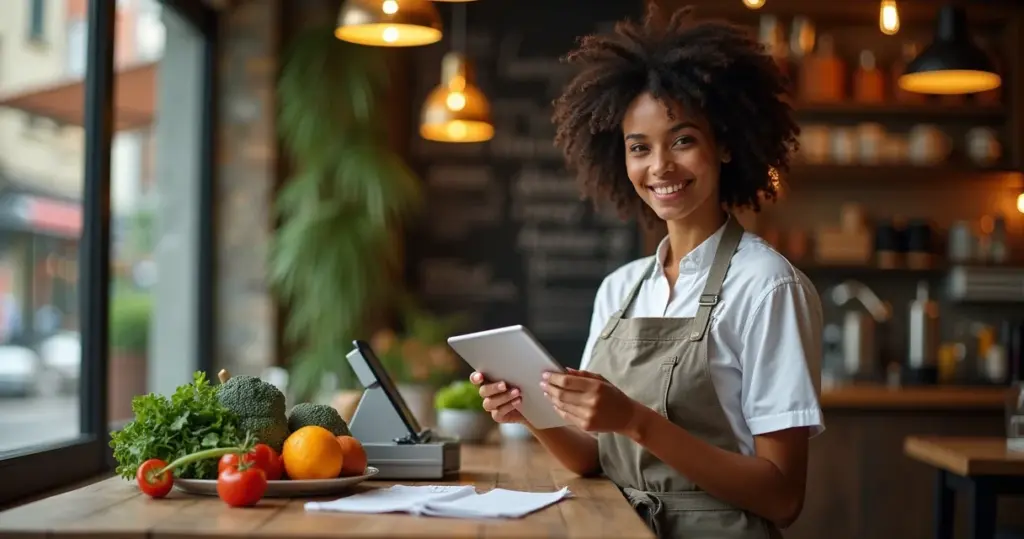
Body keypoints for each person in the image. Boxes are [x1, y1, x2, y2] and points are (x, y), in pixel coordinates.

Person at [468, 4, 824, 538]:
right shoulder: (621, 289)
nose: (660, 167)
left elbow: (782, 497)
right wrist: (530, 414)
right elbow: (594, 458)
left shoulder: (768, 287)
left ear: (725, 145)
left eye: (683, 140)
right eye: (639, 148)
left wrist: (635, 420)